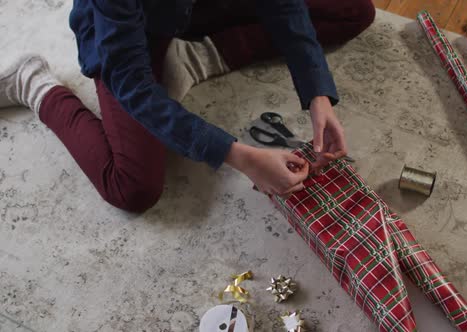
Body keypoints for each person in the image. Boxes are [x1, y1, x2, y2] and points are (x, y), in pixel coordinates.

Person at [0, 0, 375, 213]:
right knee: (132, 187)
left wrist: (317, 95)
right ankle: (32, 84)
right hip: (130, 32)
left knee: (353, 10)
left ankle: (199, 57)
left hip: (193, 7)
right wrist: (241, 156)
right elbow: (134, 87)